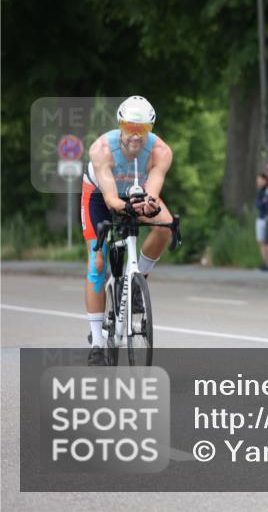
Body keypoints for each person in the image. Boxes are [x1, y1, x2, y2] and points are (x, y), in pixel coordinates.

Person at [81, 96, 174, 365]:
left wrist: (149, 205)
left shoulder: (161, 152)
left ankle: (137, 280)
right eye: (129, 127)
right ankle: (97, 342)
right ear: (120, 125)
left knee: (164, 226)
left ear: (151, 128)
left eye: (142, 129)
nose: (135, 135)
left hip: (137, 193)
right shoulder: (102, 149)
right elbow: (111, 200)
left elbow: (153, 190)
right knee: (97, 261)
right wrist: (129, 207)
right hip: (100, 196)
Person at [255, 172, 268, 271]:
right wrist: (262, 202)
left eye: (260, 180)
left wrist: (263, 203)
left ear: (265, 180)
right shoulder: (260, 192)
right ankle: (265, 263)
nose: (258, 182)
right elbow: (259, 205)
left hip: (267, 218)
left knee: (267, 241)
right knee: (260, 241)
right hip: (260, 218)